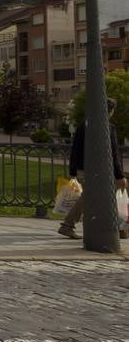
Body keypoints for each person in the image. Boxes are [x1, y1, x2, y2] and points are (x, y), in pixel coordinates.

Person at [57, 98, 128, 240]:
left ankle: (117, 228)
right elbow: (113, 153)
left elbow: (75, 149)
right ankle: (68, 225)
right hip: (102, 170)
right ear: (110, 111)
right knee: (95, 196)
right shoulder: (108, 127)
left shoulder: (83, 125)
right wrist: (120, 175)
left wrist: (73, 172)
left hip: (83, 168)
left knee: (91, 196)